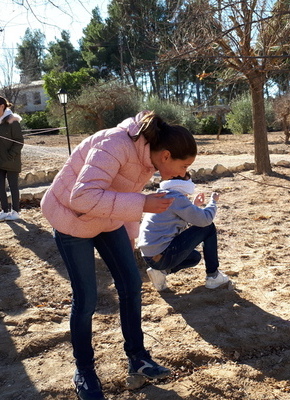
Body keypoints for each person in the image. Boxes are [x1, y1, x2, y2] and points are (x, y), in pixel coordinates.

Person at [40, 111, 197, 400]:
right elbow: (82, 197)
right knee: (86, 298)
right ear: (165, 155)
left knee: (131, 284)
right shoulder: (114, 144)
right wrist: (143, 204)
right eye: (183, 166)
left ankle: (138, 357)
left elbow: (122, 190)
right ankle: (84, 371)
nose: (184, 174)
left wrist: (131, 236)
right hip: (71, 218)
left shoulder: (148, 158)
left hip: (107, 218)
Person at [138, 172, 230, 292]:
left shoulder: (163, 194)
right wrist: (213, 202)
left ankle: (161, 272)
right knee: (208, 227)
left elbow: (175, 221)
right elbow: (205, 220)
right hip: (163, 255)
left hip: (151, 256)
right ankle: (213, 276)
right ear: (181, 183)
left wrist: (194, 206)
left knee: (194, 257)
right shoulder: (176, 197)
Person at [0, 96, 23, 221]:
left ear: (2, 106)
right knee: (0, 186)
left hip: (12, 160)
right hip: (0, 160)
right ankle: (4, 210)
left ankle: (15, 211)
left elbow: (19, 141)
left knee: (13, 186)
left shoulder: (13, 121)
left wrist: (11, 155)